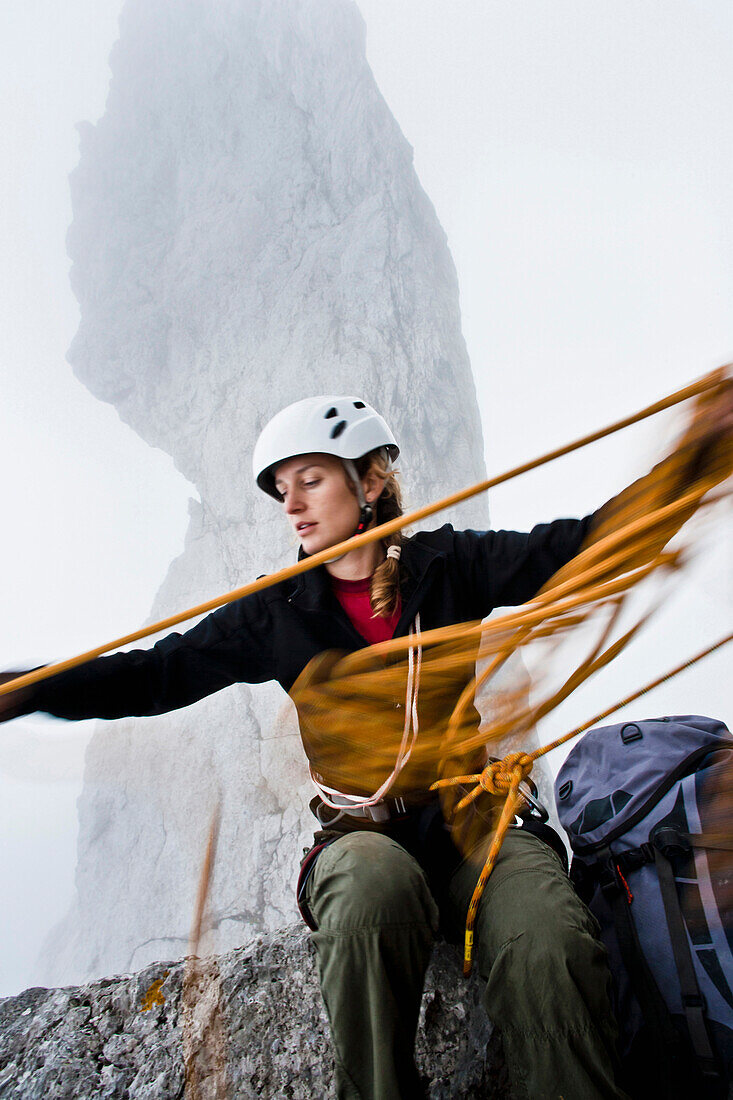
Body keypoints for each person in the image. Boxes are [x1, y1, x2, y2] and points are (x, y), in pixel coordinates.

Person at [1, 388, 730, 1099]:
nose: (290, 504)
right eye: (283, 488)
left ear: (370, 480)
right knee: (368, 894)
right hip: (363, 836)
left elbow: (586, 549)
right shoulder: (274, 612)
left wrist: (695, 459)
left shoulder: (447, 566)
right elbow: (154, 675)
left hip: (473, 822)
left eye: (309, 480)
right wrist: (34, 688)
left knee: (549, 936)